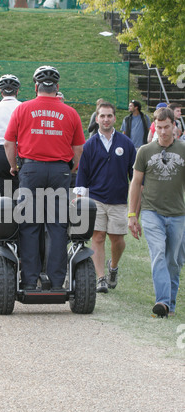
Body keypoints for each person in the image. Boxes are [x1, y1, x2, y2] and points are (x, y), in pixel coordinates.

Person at [4, 65, 84, 290]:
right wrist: (72, 168)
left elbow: (9, 143)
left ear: (36, 86)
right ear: (57, 87)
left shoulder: (23, 109)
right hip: (60, 171)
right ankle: (57, 283)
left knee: (30, 226)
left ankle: (30, 281)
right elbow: (78, 148)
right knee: (58, 227)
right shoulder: (70, 113)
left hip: (31, 169)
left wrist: (13, 166)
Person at [128, 107, 185, 318]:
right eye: (159, 127)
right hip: (152, 212)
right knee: (159, 254)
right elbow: (136, 183)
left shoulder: (183, 149)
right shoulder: (145, 151)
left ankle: (169, 303)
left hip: (178, 213)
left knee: (174, 261)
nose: (162, 132)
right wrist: (132, 215)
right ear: (155, 127)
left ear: (174, 126)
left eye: (167, 127)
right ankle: (162, 301)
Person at [75, 101, 136, 293]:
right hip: (96, 199)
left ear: (115, 118)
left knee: (117, 240)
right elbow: (82, 174)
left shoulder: (126, 143)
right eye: (102, 116)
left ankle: (113, 267)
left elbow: (134, 176)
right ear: (97, 118)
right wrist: (79, 197)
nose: (106, 119)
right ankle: (100, 278)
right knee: (98, 236)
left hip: (118, 199)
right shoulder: (90, 144)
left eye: (109, 116)